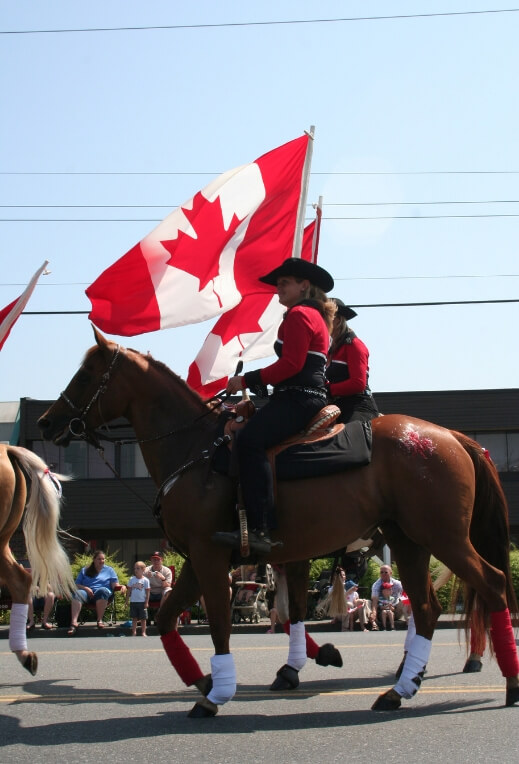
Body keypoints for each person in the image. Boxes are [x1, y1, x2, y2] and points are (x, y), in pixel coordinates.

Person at [213, 257, 336, 554]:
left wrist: (246, 380)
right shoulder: (312, 315)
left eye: (284, 283)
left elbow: (292, 364)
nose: (278, 288)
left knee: (250, 442)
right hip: (301, 395)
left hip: (298, 397)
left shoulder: (298, 315)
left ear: (303, 285)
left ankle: (260, 528)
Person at [326, 298, 379, 423]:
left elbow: (358, 383)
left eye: (325, 317)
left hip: (359, 407)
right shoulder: (332, 349)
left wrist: (329, 389)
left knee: (347, 439)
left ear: (337, 320)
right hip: (338, 406)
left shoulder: (355, 345)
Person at [67, 550, 125, 635]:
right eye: (99, 559)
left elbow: (115, 585)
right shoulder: (85, 570)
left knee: (103, 590)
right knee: (78, 593)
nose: (101, 561)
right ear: (94, 560)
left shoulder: (109, 570)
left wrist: (122, 587)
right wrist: (86, 588)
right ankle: (73, 623)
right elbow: (77, 584)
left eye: (103, 559)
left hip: (102, 594)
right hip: (86, 594)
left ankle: (99, 620)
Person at [371, 564, 404, 631]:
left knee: (404, 602)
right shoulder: (376, 585)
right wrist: (374, 612)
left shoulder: (397, 584)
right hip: (382, 611)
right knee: (368, 603)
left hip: (396, 609)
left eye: (386, 572)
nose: (383, 574)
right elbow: (375, 600)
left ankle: (409, 621)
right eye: (381, 572)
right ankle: (383, 626)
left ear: (390, 573)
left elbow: (405, 594)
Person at [126, 561, 150, 636]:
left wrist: (146, 602)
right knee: (134, 618)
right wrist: (127, 600)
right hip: (133, 602)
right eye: (135, 568)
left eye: (138, 568)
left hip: (142, 602)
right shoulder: (132, 579)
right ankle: (134, 632)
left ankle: (143, 632)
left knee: (143, 619)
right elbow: (129, 590)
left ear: (143, 570)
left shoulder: (145, 580)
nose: (136, 570)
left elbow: (147, 592)